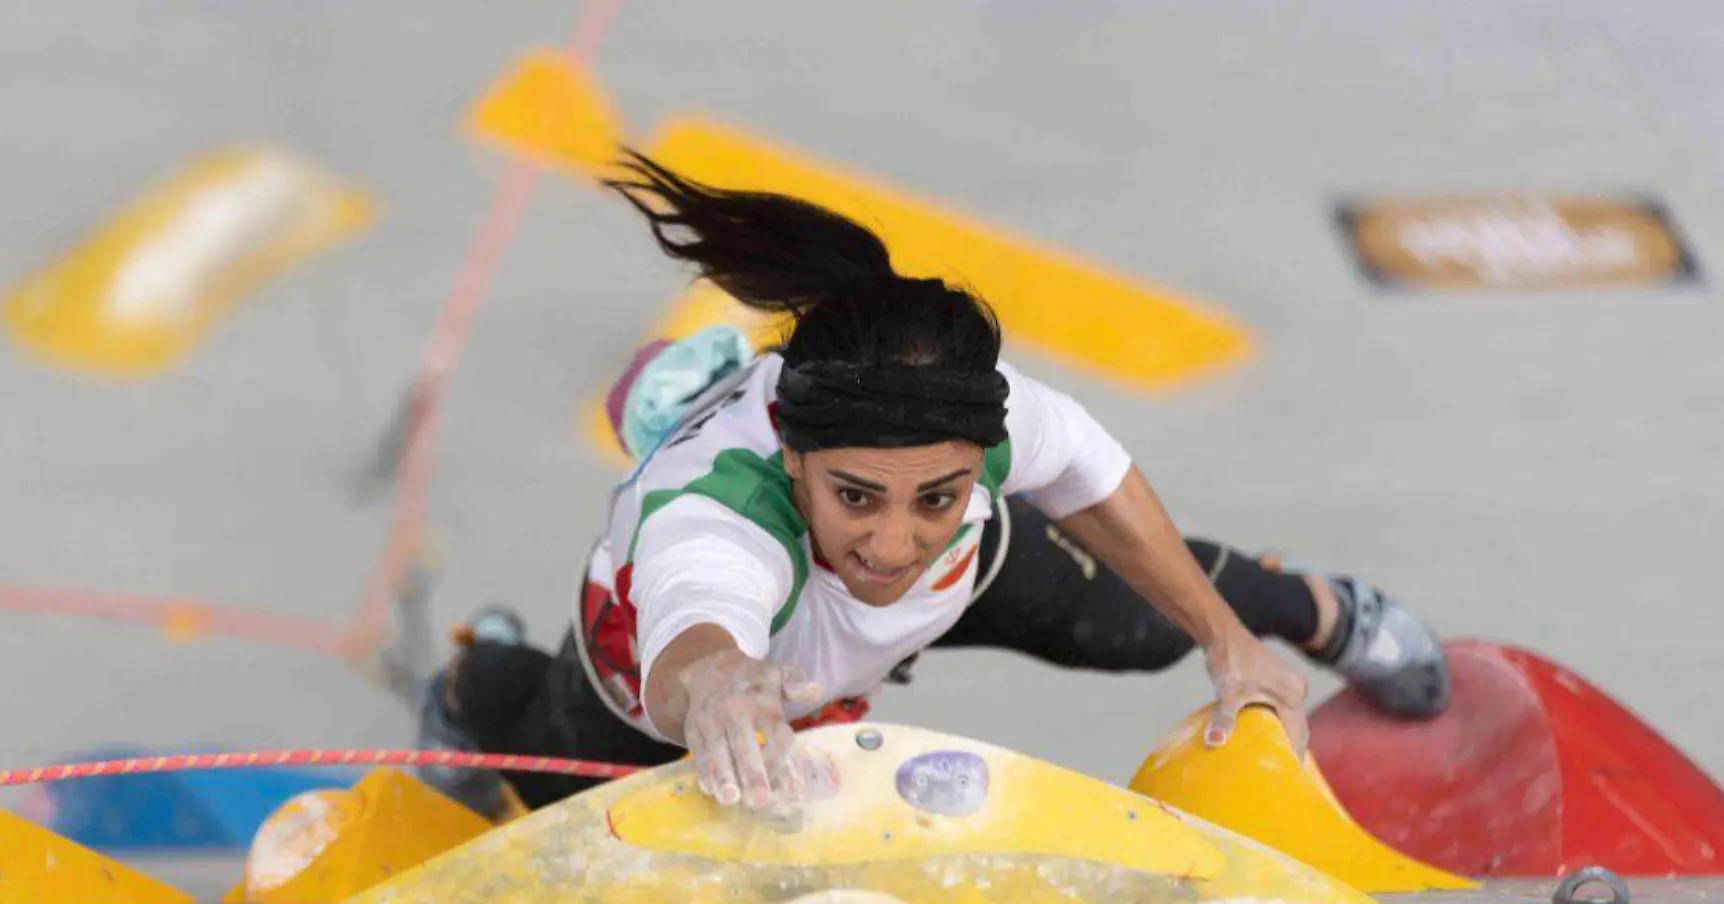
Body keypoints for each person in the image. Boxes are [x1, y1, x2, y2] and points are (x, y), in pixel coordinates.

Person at [416, 149, 1450, 816]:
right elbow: (695, 624)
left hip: (890, 608)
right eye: (855, 495)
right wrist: (714, 687)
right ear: (792, 457)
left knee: (1135, 624)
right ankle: (476, 677)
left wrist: (1232, 646)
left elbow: (1094, 479)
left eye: (938, 497)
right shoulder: (713, 518)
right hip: (652, 680)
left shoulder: (972, 414)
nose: (897, 545)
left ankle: (1327, 612)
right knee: (555, 771)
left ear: (976, 466)